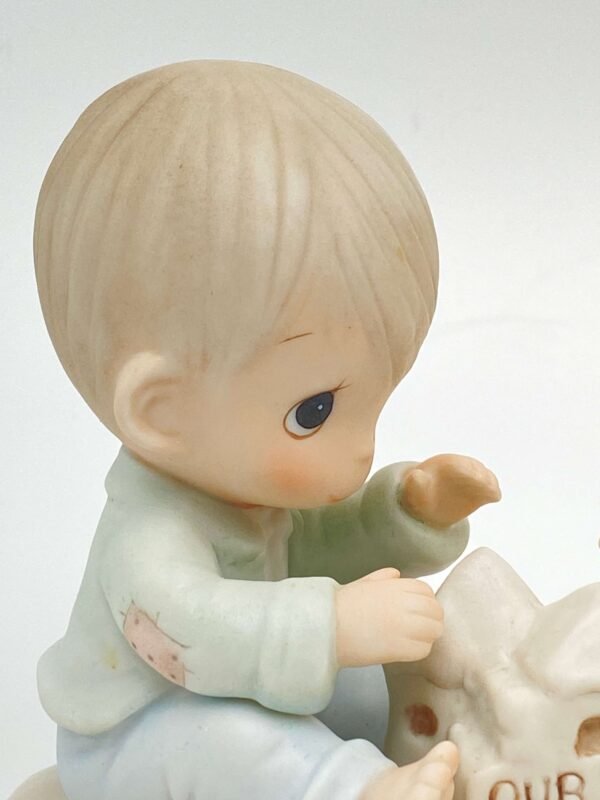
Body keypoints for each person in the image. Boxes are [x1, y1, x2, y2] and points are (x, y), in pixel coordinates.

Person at [33, 60, 500, 800]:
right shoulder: (147, 541)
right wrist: (335, 625)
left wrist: (402, 514)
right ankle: (357, 791)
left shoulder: (239, 488)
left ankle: (429, 752)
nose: (362, 448)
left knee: (370, 681)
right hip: (136, 736)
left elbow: (306, 549)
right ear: (161, 412)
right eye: (314, 413)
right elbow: (202, 628)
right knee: (233, 740)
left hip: (239, 683)